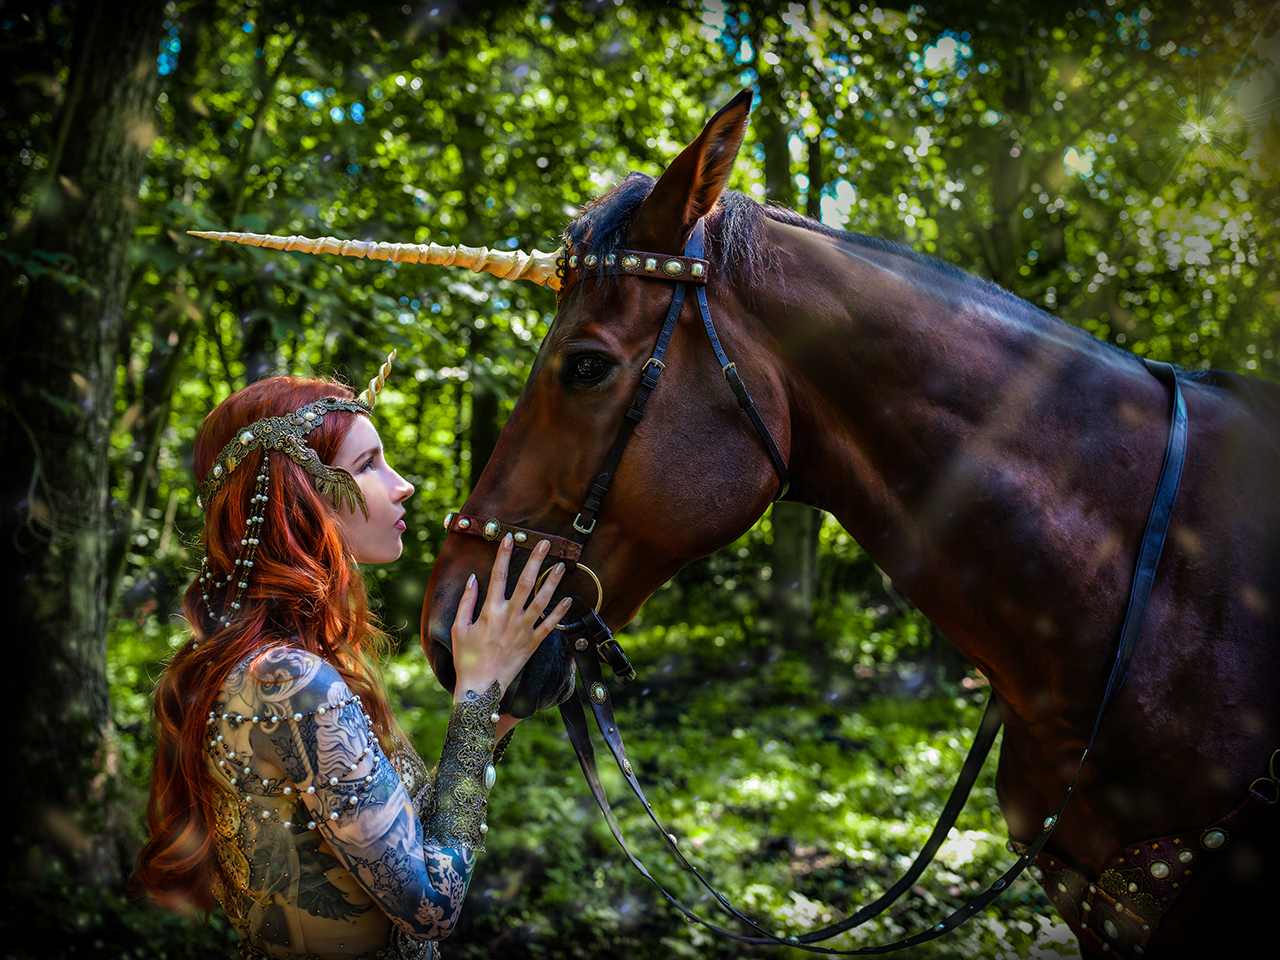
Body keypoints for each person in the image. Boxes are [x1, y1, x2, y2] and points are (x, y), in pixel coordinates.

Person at [132, 353, 571, 960]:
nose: (403, 484)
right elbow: (428, 908)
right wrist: (474, 698)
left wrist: (495, 718)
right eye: (368, 464)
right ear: (299, 496)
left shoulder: (282, 666)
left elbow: (404, 841)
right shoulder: (287, 680)